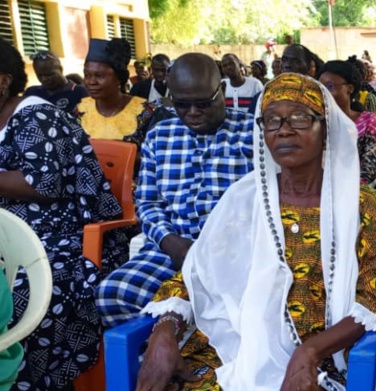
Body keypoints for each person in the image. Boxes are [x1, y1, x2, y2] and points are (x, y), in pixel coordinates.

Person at [135, 73, 376, 391]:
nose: (284, 130)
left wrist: (309, 350)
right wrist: (164, 331)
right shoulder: (245, 198)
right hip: (238, 348)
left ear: (326, 128)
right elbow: (198, 272)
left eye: (300, 118)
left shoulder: (359, 204)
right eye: (272, 121)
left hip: (328, 359)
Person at [0, 38, 130, 390]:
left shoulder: (35, 115)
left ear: (2, 81)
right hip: (14, 235)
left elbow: (42, 183)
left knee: (20, 295)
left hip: (61, 237)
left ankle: (25, 380)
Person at [96, 53, 255, 328]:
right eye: (181, 104)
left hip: (235, 255)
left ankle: (197, 358)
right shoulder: (160, 135)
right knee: (112, 294)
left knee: (239, 310)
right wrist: (169, 241)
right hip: (171, 250)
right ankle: (162, 358)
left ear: (223, 90)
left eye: (203, 103)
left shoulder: (253, 133)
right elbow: (146, 202)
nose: (192, 113)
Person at [318, 60, 376, 185]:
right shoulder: (316, 122)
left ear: (350, 88)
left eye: (329, 87)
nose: (324, 94)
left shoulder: (369, 121)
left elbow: (369, 168)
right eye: (320, 88)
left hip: (357, 190)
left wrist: (343, 190)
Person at [77, 38, 147, 141]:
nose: (91, 82)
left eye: (99, 76)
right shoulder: (81, 111)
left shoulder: (144, 113)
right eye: (87, 75)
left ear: (119, 78)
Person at [23, 51, 88, 114]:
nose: (44, 79)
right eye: (40, 75)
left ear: (60, 69)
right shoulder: (32, 93)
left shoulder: (78, 92)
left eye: (49, 75)